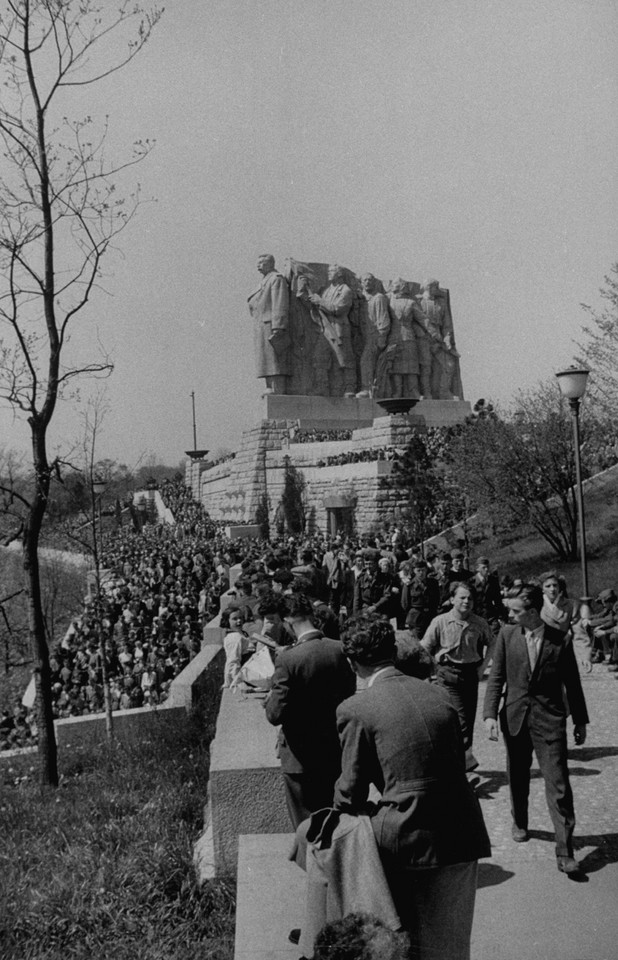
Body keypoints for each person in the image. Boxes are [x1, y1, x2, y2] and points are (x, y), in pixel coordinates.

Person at [334, 618, 490, 960]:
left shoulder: (355, 709)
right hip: (462, 831)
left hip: (407, 839)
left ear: (352, 663)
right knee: (450, 943)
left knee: (407, 943)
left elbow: (350, 793)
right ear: (393, 651)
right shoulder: (439, 694)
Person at [483, 584, 589, 874]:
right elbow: (496, 678)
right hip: (515, 717)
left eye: (515, 610)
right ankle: (520, 820)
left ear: (532, 611)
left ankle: (565, 850)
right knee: (517, 775)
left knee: (558, 783)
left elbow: (573, 683)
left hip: (549, 720)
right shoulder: (506, 635)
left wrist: (580, 719)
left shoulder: (560, 639)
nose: (510, 614)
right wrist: (490, 714)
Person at [264, 592, 355, 828]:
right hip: (334, 748)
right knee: (332, 820)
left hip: (299, 756)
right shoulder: (339, 649)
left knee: (306, 827)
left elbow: (275, 714)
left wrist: (270, 698)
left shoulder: (288, 659)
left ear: (287, 622)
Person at [421, 582, 493, 771]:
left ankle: (459, 762)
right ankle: (461, 766)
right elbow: (425, 648)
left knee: (467, 722)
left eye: (470, 598)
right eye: (462, 597)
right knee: (459, 721)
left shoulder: (479, 623)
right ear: (452, 599)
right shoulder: (440, 621)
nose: (466, 602)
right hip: (447, 675)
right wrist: (431, 672)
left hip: (470, 675)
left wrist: (483, 668)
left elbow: (493, 644)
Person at [306, 264, 356, 397]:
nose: (328, 273)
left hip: (339, 329)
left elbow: (338, 309)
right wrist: (314, 302)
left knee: (344, 359)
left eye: (331, 271)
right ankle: (322, 387)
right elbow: (321, 308)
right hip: (326, 330)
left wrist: (320, 301)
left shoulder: (346, 290)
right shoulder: (327, 291)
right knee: (319, 357)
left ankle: (349, 387)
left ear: (339, 274)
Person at [247, 253, 290, 394]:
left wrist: (278, 326)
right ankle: (269, 386)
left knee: (274, 358)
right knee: (265, 359)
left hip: (271, 325)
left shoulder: (276, 279)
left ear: (270, 264)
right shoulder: (264, 281)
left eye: (261, 263)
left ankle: (277, 388)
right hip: (261, 325)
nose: (258, 266)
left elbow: (279, 303)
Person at [357, 273, 390, 398]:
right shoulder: (362, 299)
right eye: (364, 280)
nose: (367, 282)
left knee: (366, 361)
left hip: (374, 335)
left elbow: (384, 319)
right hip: (362, 335)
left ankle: (367, 389)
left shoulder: (379, 298)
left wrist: (382, 337)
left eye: (370, 280)